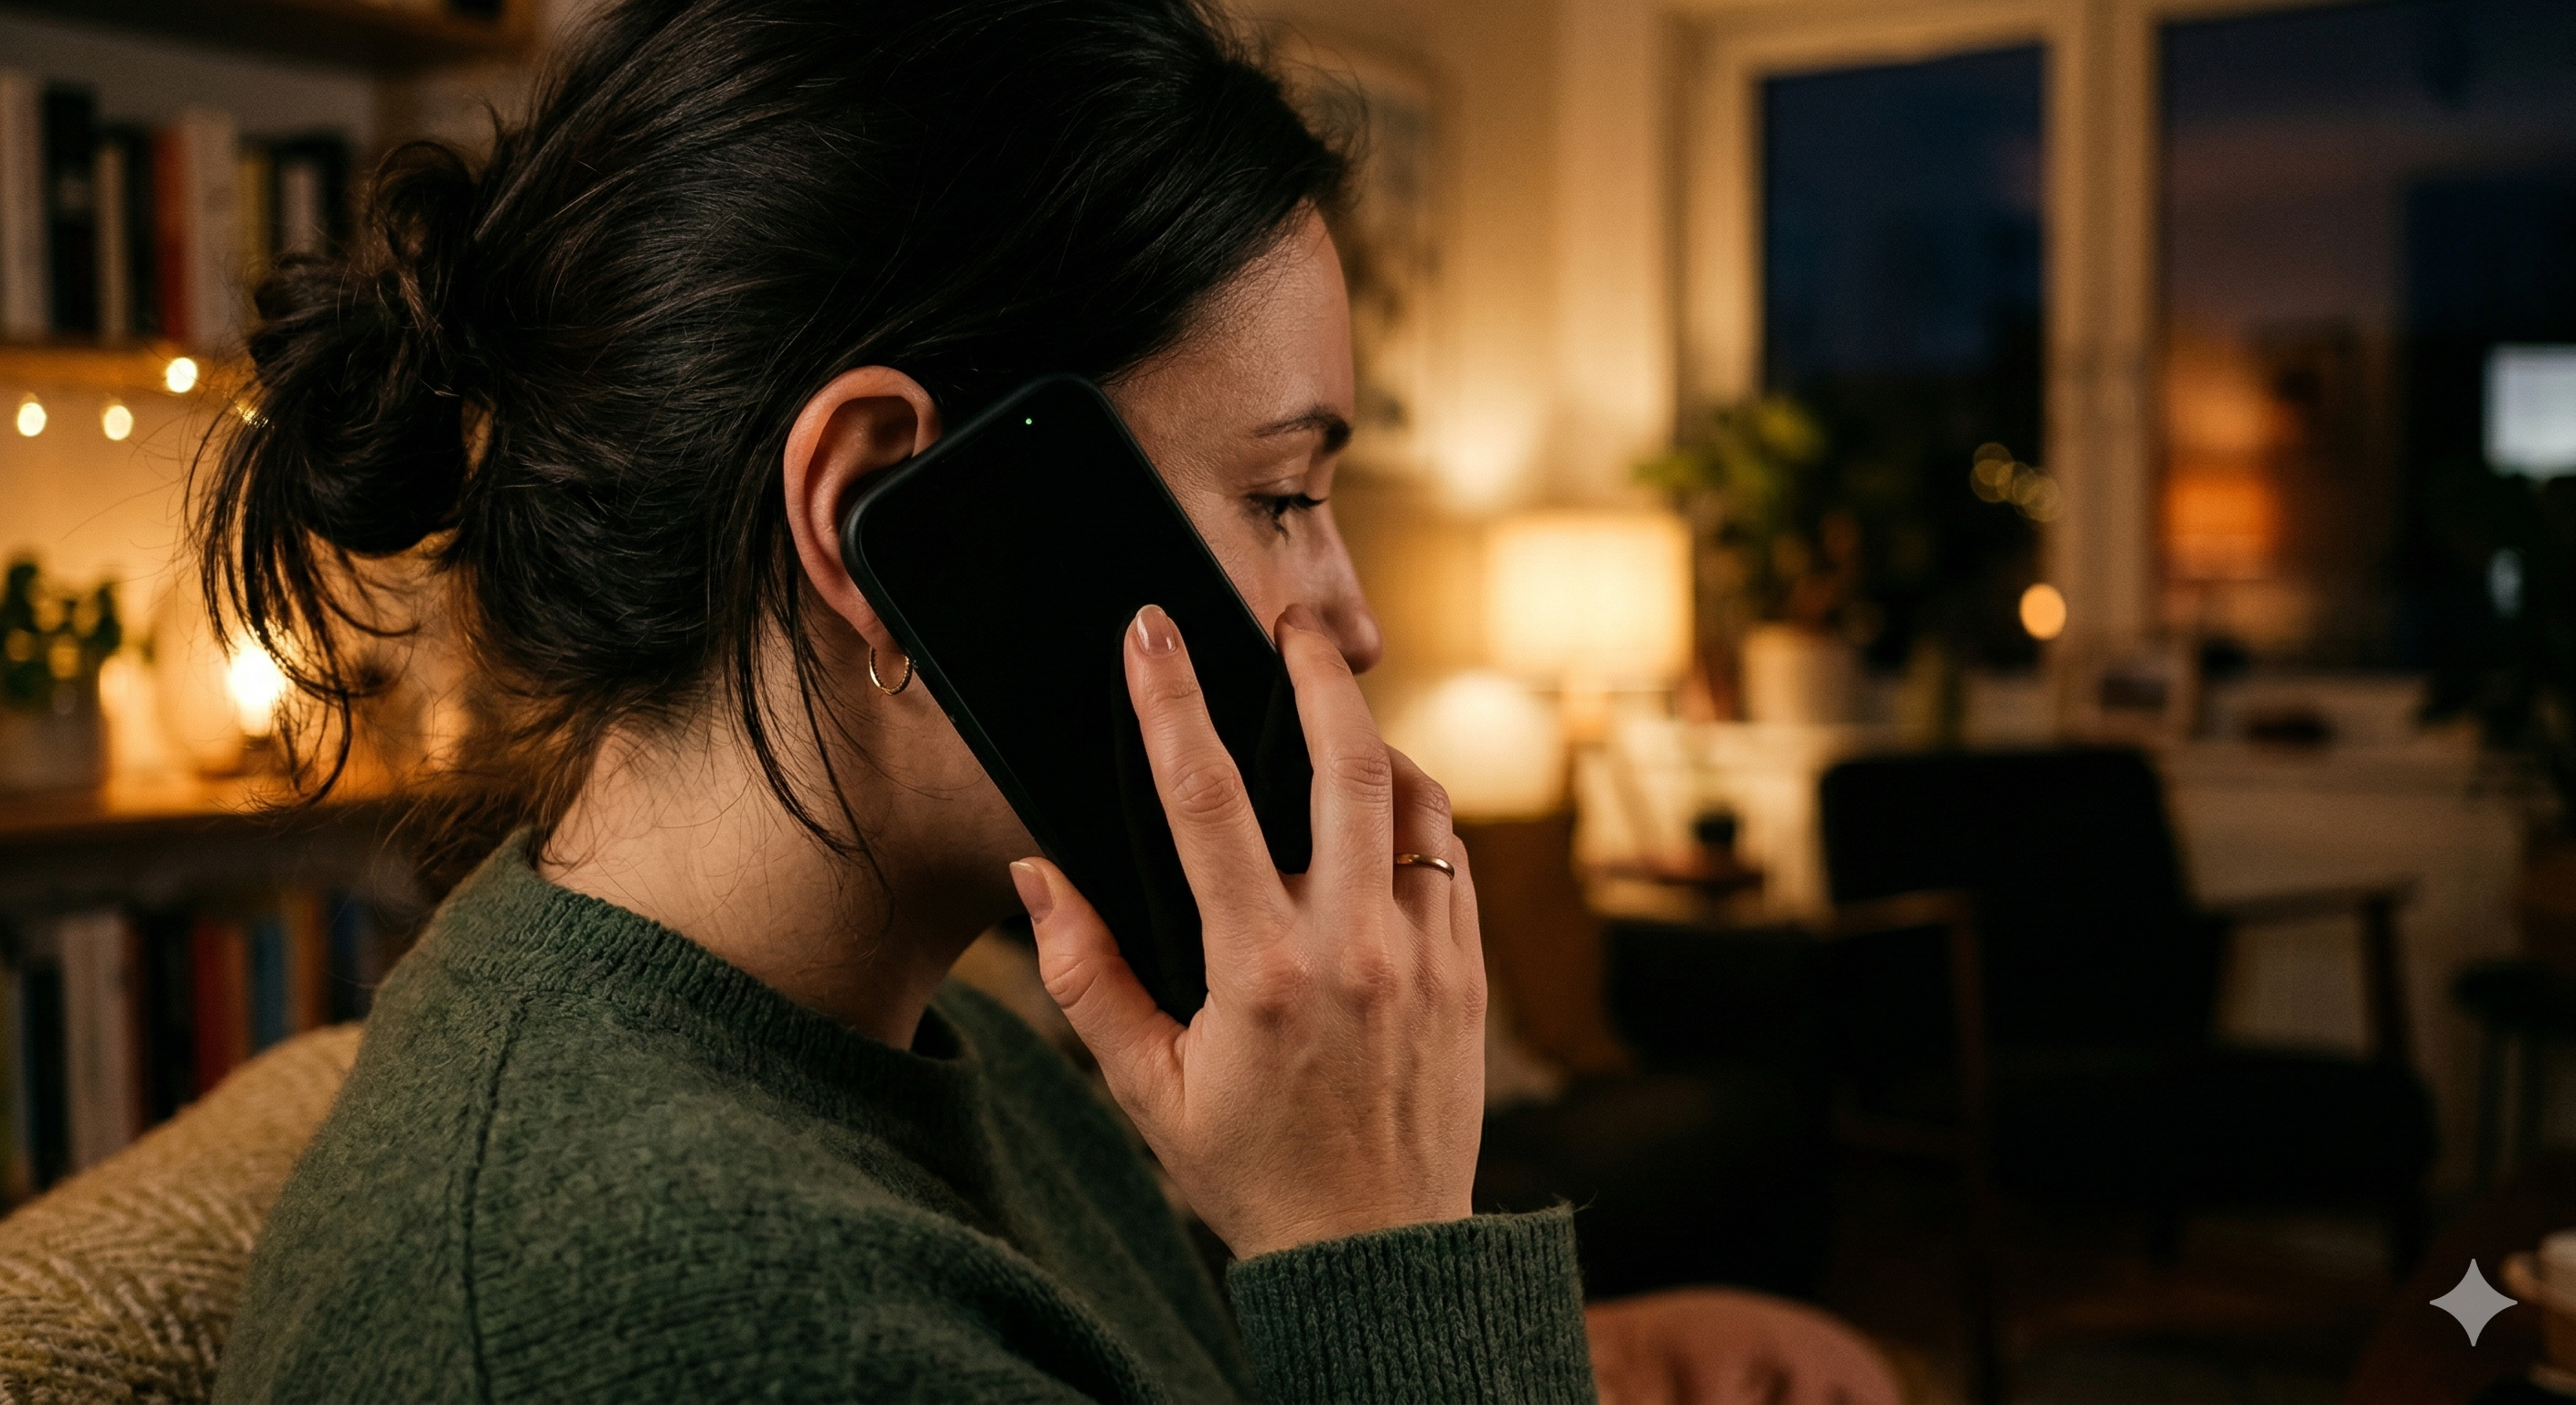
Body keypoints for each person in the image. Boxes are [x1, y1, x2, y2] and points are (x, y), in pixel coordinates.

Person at [201, 1, 1901, 1400]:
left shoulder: (964, 1026)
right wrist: (1387, 1252)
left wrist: (1592, 1364)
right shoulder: (667, 1319)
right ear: (888, 520)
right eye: (1285, 499)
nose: (1353, 619)